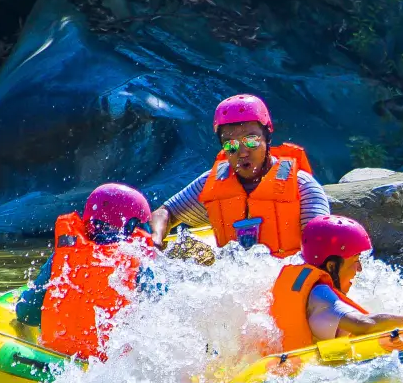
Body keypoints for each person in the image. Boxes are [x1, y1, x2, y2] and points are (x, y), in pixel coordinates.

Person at [149, 94, 330, 257]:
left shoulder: (303, 187)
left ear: (267, 138)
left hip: (288, 283)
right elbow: (164, 213)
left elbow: (323, 250)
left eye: (251, 140)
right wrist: (156, 241)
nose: (242, 152)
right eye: (230, 145)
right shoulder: (211, 183)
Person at [270, 215, 403, 351]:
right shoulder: (320, 295)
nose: (359, 269)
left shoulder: (301, 287)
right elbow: (365, 324)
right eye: (355, 260)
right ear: (332, 266)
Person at [16, 183, 157, 361]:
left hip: (54, 358)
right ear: (130, 226)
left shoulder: (64, 253)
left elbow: (27, 313)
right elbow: (160, 318)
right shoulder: (138, 262)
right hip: (108, 369)